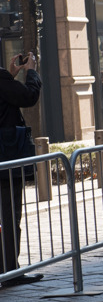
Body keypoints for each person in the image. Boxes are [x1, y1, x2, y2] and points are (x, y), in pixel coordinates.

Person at [0, 51, 43, 287]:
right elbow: (29, 96)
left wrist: (10, 75)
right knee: (9, 214)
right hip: (6, 160)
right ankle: (10, 272)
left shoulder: (3, 81)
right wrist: (31, 71)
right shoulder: (1, 82)